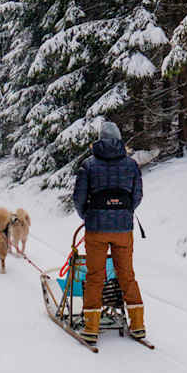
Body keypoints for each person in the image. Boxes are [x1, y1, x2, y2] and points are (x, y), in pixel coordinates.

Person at [73, 120, 144, 346]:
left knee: (95, 276)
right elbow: (137, 195)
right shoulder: (131, 165)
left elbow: (79, 198)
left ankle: (91, 328)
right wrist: (124, 212)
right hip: (123, 228)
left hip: (97, 229)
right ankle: (138, 324)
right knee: (127, 274)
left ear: (100, 139)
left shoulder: (88, 165)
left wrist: (88, 215)